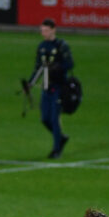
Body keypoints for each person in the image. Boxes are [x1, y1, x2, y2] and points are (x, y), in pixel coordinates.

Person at [28, 18, 73, 159]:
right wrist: (29, 84)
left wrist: (57, 67)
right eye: (42, 30)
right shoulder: (41, 46)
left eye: (46, 30)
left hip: (59, 87)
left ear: (54, 29)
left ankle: (56, 150)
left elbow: (70, 64)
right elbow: (38, 67)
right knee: (44, 119)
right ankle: (61, 138)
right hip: (46, 87)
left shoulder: (61, 45)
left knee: (54, 119)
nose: (44, 33)